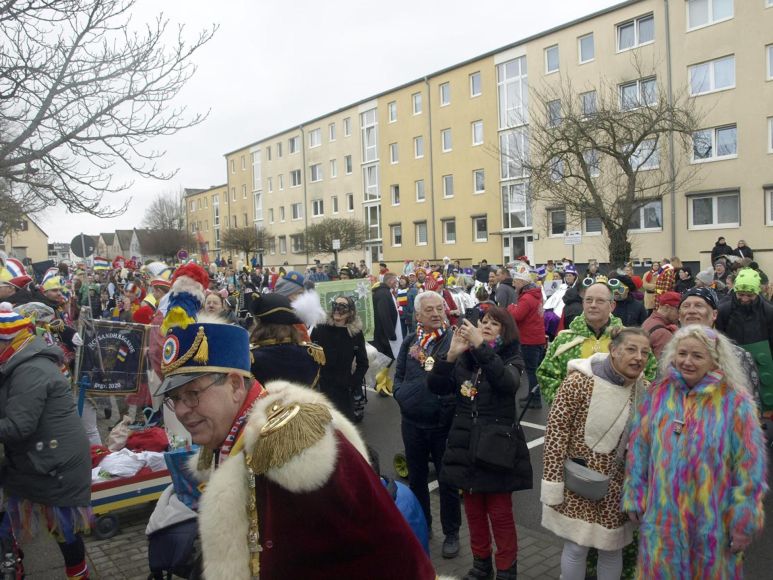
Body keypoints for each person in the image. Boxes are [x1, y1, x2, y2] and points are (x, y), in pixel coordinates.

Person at [154, 266, 442, 579]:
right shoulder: (229, 442)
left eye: (193, 394)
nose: (182, 410)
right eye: (176, 398)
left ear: (236, 385)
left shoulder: (295, 448)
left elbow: (391, 552)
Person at [622, 325, 767, 578]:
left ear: (714, 360)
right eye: (682, 353)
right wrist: (635, 491)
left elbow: (749, 470)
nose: (687, 361)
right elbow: (639, 448)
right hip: (663, 520)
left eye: (697, 356)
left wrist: (743, 521)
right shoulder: (659, 394)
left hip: (713, 525)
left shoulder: (736, 403)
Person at [428, 308, 531, 580]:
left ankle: (507, 571)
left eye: (494, 323)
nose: (485, 325)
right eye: (483, 321)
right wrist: (450, 355)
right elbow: (437, 386)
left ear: (504, 331)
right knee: (473, 512)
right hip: (465, 443)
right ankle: (481, 565)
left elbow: (506, 383)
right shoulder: (466, 357)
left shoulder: (513, 357)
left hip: (496, 447)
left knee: (500, 514)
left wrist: (481, 346)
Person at [542, 327, 651, 580]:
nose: (638, 357)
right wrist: (553, 483)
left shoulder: (644, 390)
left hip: (617, 486)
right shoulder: (580, 380)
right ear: (613, 350)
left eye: (645, 352)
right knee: (576, 547)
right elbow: (556, 436)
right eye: (631, 349)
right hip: (579, 481)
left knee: (612, 549)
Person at [0, 303, 92, 579]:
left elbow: (18, 426)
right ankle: (12, 559)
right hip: (41, 460)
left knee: (64, 531)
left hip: (54, 467)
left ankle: (78, 574)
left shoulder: (30, 370)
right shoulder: (19, 362)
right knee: (24, 520)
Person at [393, 291, 461, 559]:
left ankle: (452, 532)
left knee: (447, 481)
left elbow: (459, 378)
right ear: (418, 315)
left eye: (439, 308)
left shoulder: (453, 340)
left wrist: (447, 404)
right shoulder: (411, 341)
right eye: (429, 310)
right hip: (412, 423)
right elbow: (399, 374)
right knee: (417, 480)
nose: (435, 313)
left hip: (443, 424)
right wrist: (400, 394)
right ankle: (425, 525)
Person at [537, 282, 657, 404]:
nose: (593, 305)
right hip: (575, 417)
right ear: (583, 303)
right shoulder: (564, 340)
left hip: (620, 416)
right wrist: (568, 405)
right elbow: (546, 375)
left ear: (612, 305)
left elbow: (649, 374)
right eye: (588, 300)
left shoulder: (630, 340)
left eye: (600, 301)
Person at [310, 296, 368, 421]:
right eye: (335, 304)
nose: (337, 309)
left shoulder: (355, 333)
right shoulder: (320, 329)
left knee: (343, 430)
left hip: (344, 391)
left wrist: (352, 383)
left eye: (342, 306)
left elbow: (363, 363)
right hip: (322, 389)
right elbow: (309, 356)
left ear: (350, 312)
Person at [509, 271, 546, 409]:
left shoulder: (526, 299)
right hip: (536, 338)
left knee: (531, 372)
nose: (513, 283)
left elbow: (517, 316)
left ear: (523, 282)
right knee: (533, 370)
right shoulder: (535, 296)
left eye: (516, 280)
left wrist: (511, 307)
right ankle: (532, 396)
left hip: (529, 339)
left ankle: (535, 400)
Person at [641, 291, 680, 358]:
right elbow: (664, 364)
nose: (680, 316)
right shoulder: (663, 333)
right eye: (678, 311)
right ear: (667, 307)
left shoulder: (649, 320)